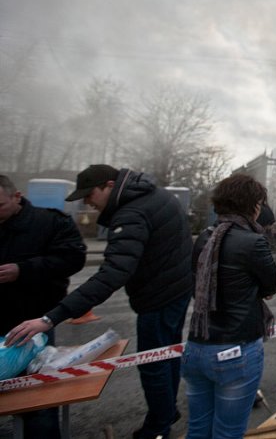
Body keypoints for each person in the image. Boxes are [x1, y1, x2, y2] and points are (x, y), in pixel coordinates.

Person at [5, 164, 194, 439]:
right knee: (167, 356)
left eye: (89, 195)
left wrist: (51, 317)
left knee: (153, 363)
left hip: (158, 298)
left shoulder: (131, 214)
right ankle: (165, 412)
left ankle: (159, 427)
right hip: (176, 290)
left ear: (108, 185)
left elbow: (111, 275)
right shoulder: (157, 195)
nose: (87, 203)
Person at [182, 174, 276, 439]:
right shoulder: (253, 241)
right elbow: (271, 284)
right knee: (228, 432)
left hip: (196, 348)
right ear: (253, 205)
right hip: (236, 351)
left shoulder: (204, 237)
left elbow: (197, 286)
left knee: (198, 428)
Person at [0, 175, 86, 438]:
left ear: (17, 197)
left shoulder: (51, 222)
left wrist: (23, 270)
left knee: (39, 392)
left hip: (33, 321)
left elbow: (73, 258)